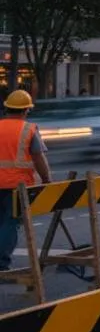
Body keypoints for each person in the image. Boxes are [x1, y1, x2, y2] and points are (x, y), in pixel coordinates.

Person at [0, 90, 53, 272]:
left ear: (7, 108)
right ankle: (1, 262)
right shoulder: (28, 129)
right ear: (26, 110)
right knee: (10, 223)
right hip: (17, 186)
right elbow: (38, 158)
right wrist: (46, 179)